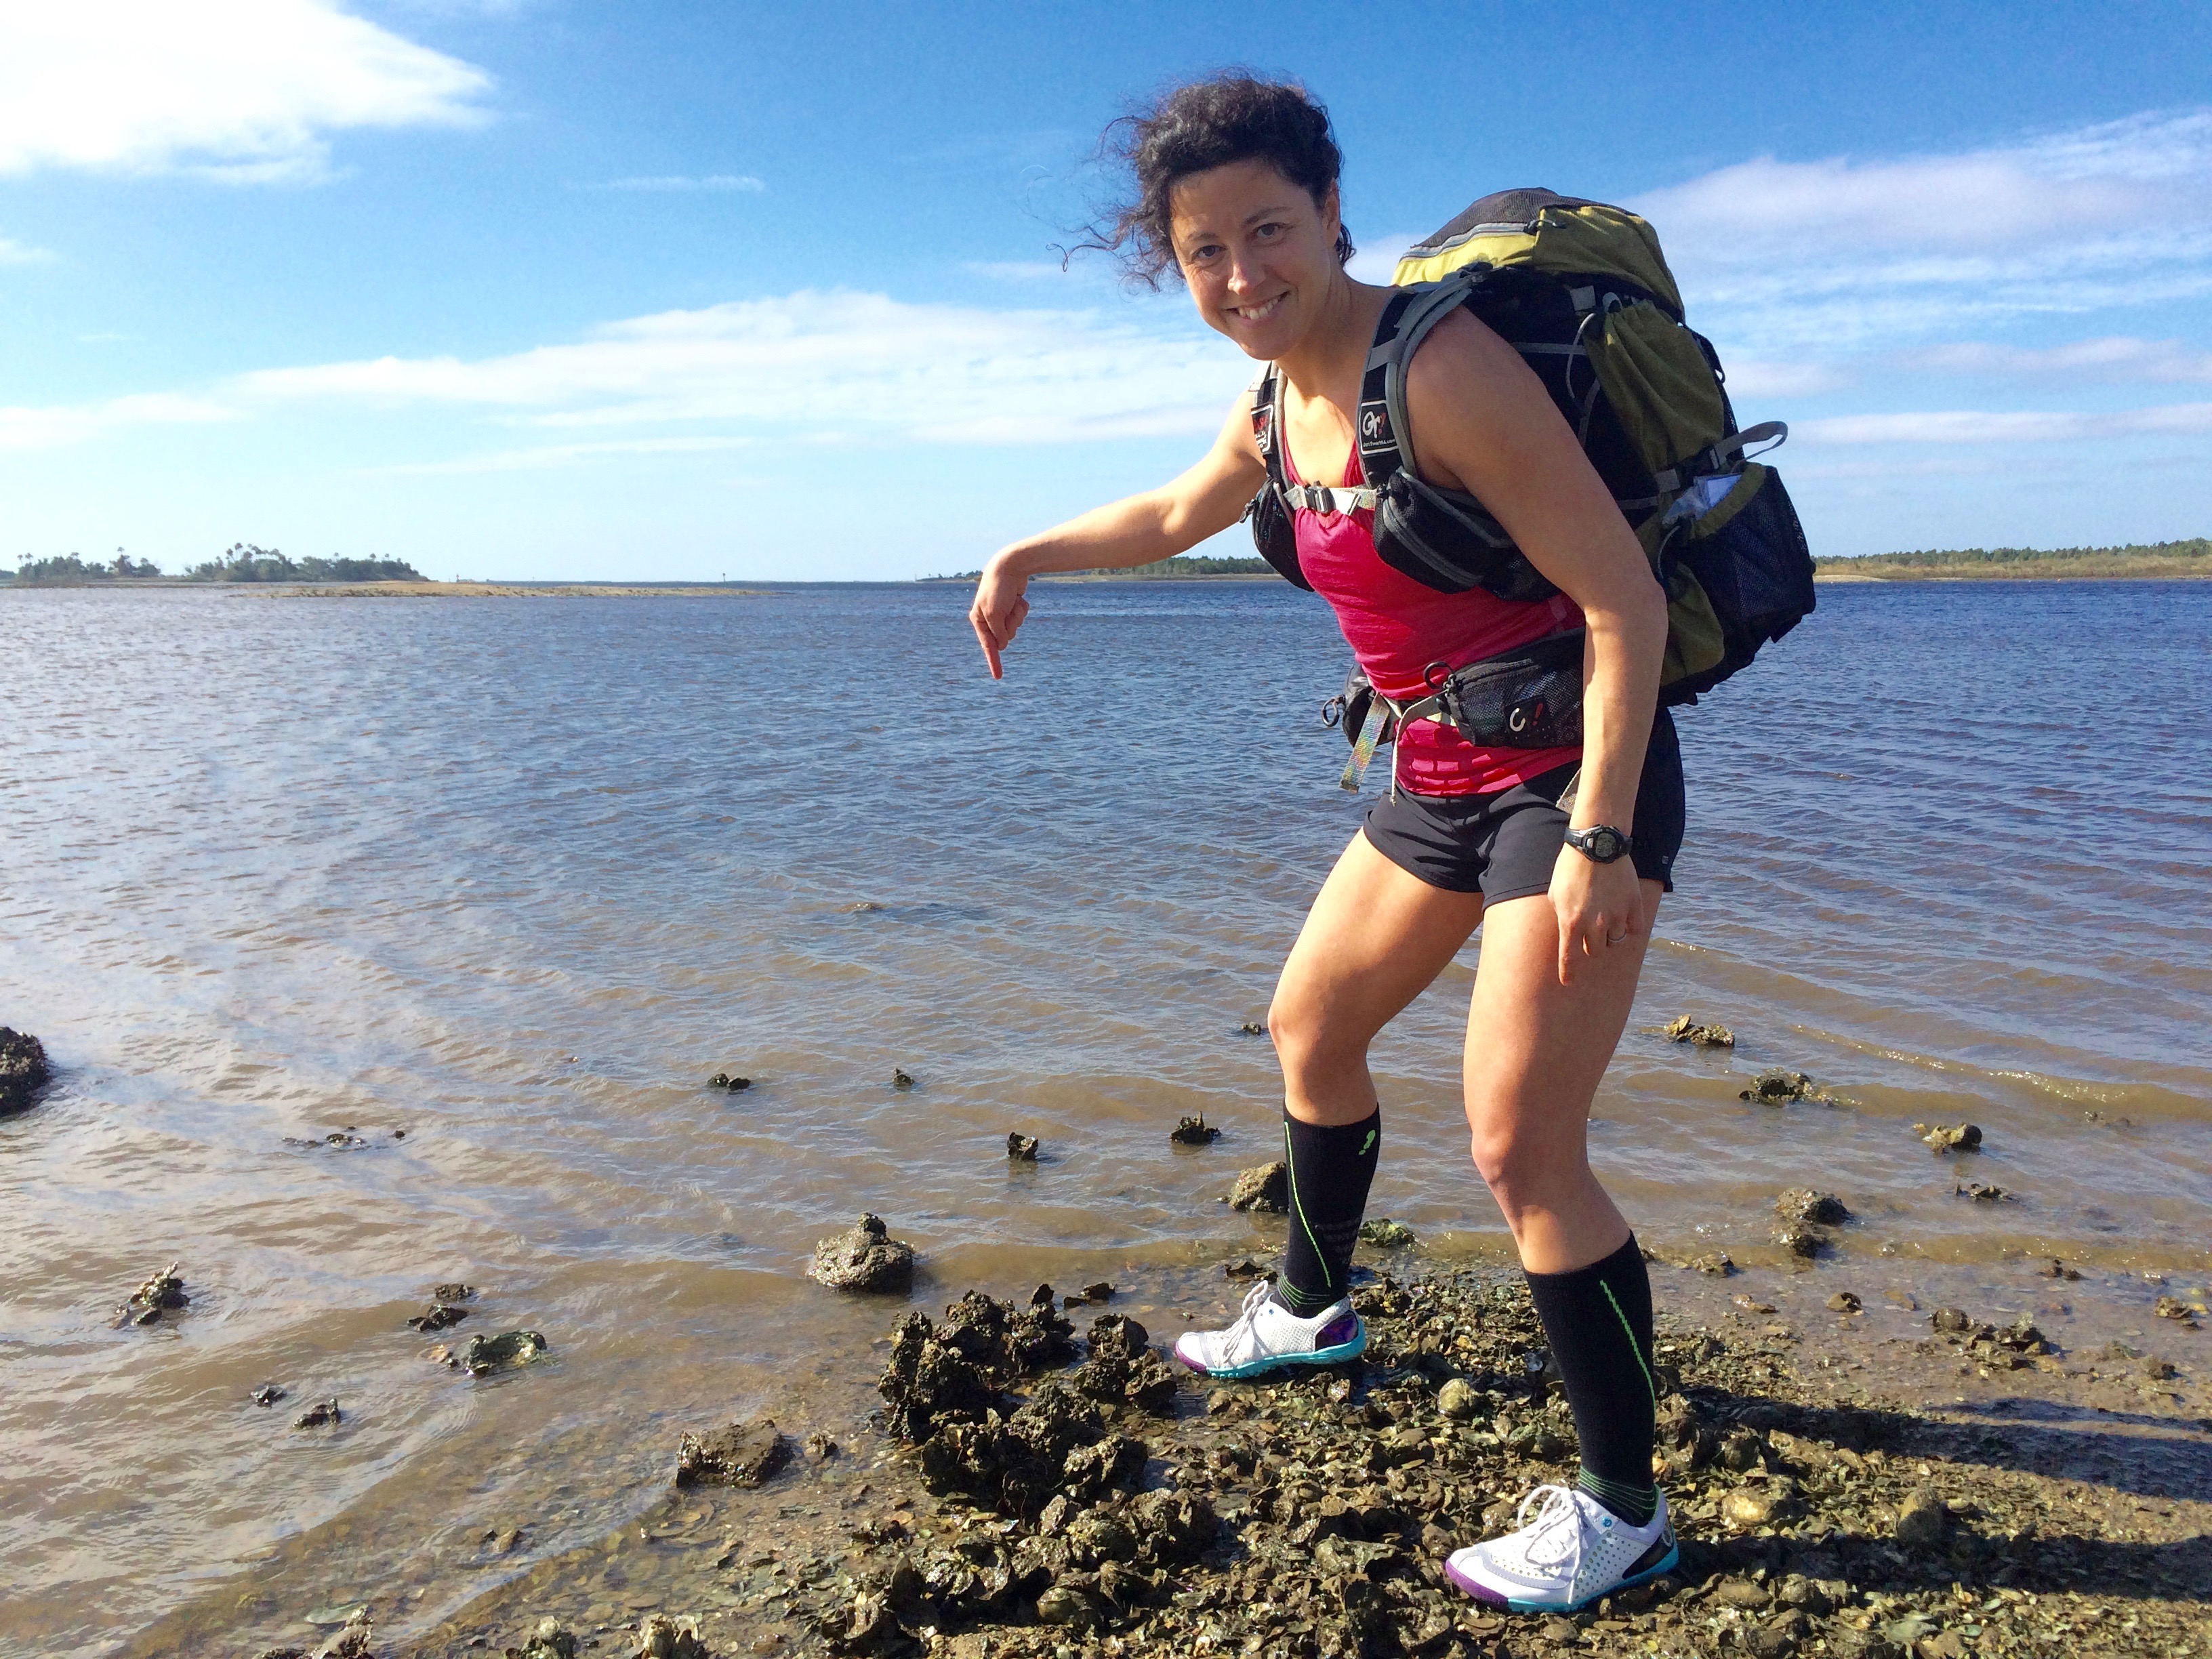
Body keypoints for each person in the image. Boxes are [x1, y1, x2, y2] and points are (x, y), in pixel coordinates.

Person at [966, 76, 1683, 1616]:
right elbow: (1173, 511)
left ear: (1334, 214)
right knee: (1313, 1028)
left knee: (1521, 1146)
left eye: (1268, 231)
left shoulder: (1444, 369)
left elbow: (1626, 602)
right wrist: (1026, 552)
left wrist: (1604, 836)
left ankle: (1625, 1511)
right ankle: (1310, 1311)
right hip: (1435, 767)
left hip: (1568, 774)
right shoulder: (1268, 404)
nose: (1241, 275)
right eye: (1204, 251)